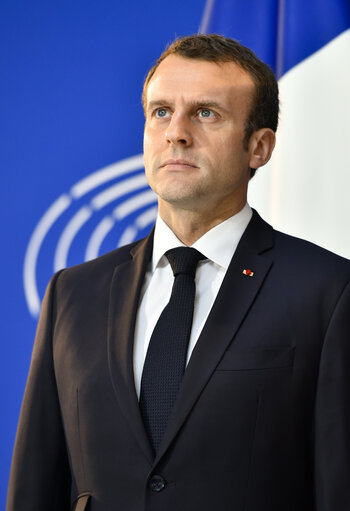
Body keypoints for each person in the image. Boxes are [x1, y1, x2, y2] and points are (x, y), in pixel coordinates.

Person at [7, 34, 350, 511]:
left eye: (206, 113)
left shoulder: (329, 292)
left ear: (260, 147)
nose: (176, 133)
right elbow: (35, 487)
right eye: (161, 112)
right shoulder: (73, 293)